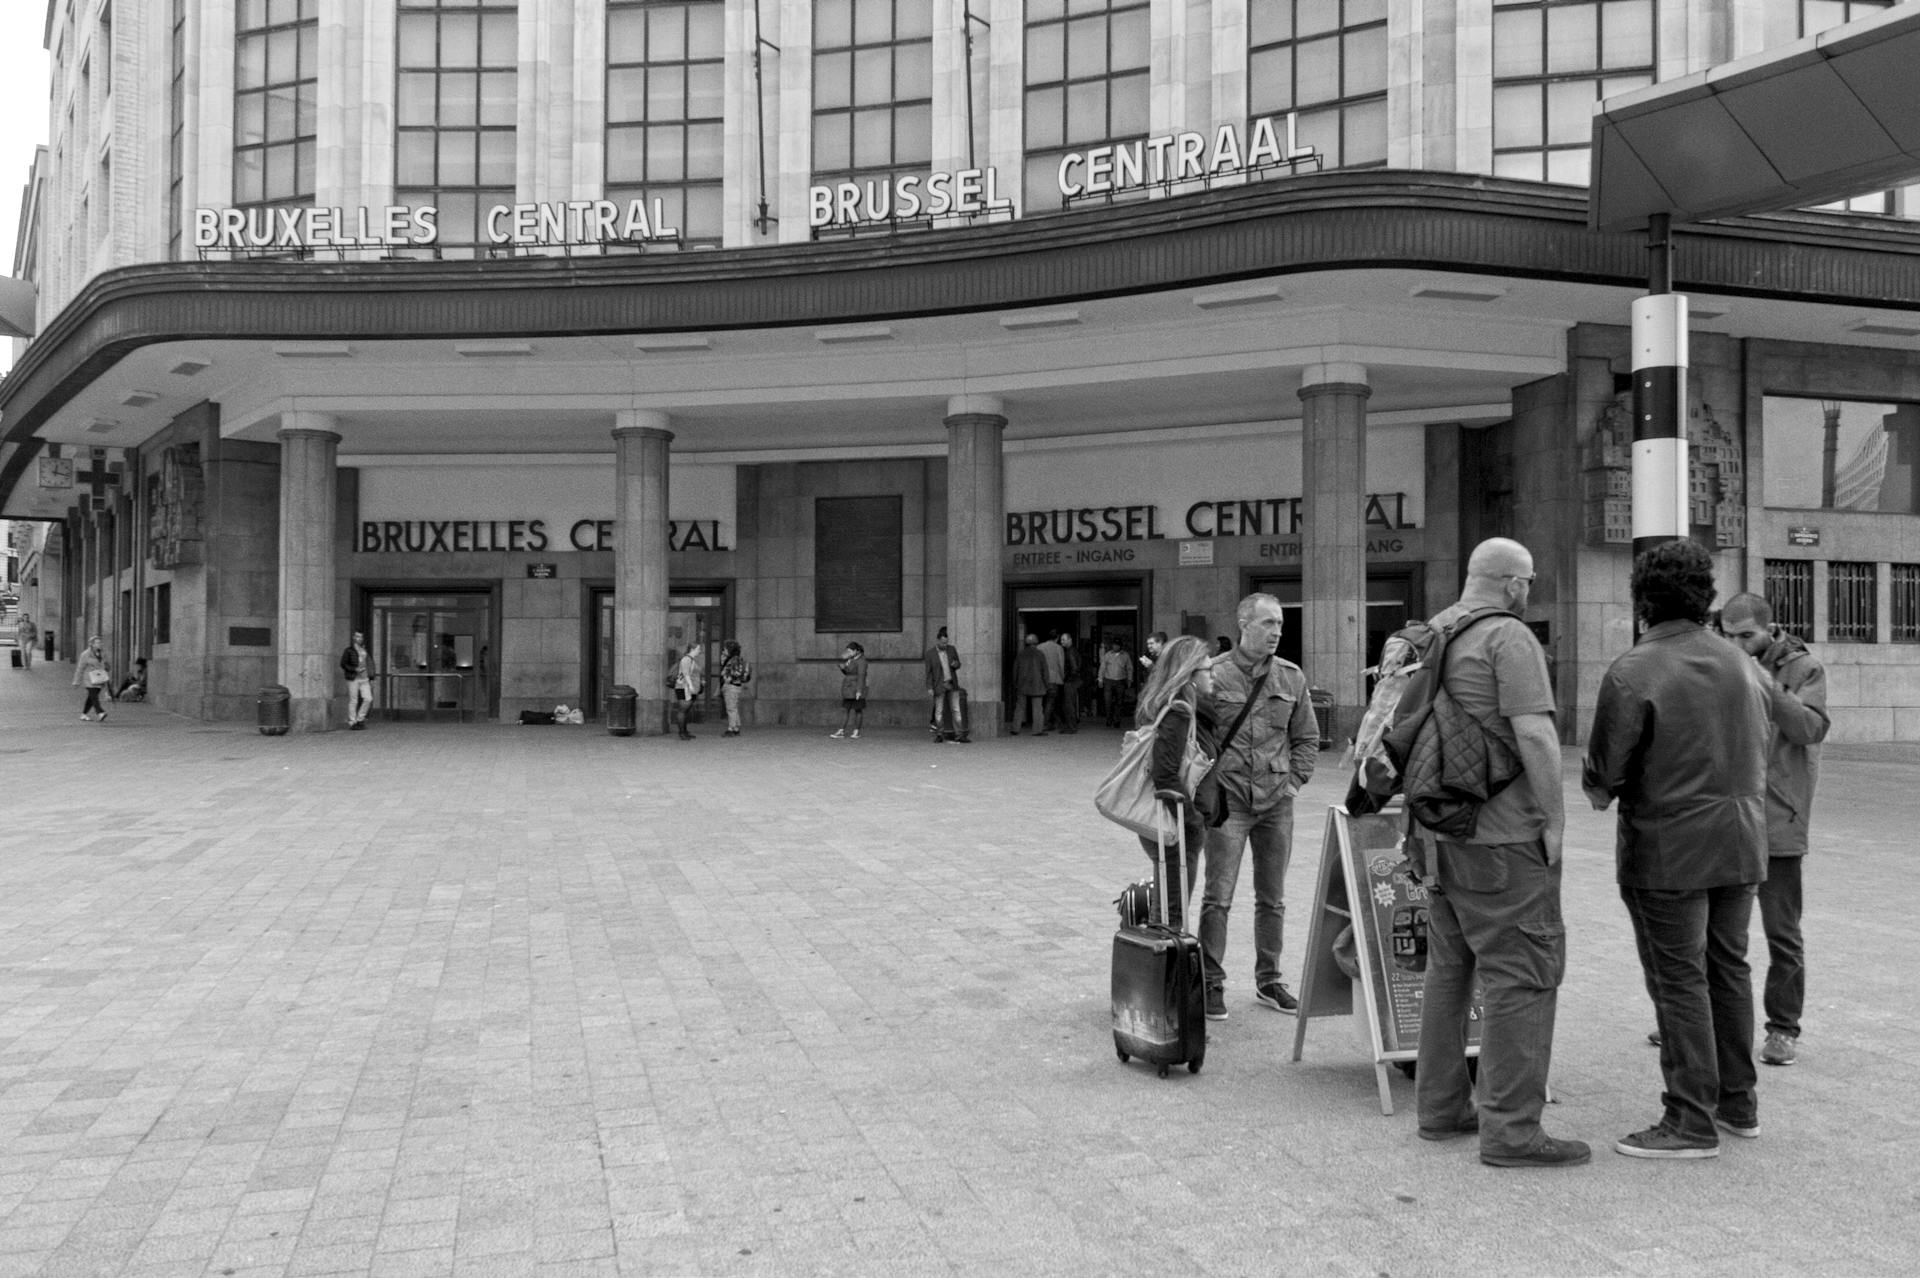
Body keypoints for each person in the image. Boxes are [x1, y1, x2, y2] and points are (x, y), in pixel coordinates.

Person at [1585, 539, 1770, 1160]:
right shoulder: (1745, 664)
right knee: (1728, 969)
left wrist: (1606, 788)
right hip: (1742, 839)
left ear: (1642, 599)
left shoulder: (1635, 669)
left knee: (1678, 980)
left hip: (1668, 850)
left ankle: (1689, 1118)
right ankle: (1737, 1102)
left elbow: (1603, 776)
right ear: (1706, 598)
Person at [1411, 538, 1588, 1169]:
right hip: (1503, 838)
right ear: (1514, 585)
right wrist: (1556, 819)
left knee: (1449, 971)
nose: (1529, 591)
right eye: (1530, 582)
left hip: (1439, 835)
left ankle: (1440, 1109)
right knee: (1523, 975)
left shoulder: (1434, 632)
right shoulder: (1509, 639)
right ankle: (1512, 1131)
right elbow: (1536, 733)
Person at [1718, 593, 1828, 1069]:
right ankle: (1705, 1019)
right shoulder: (1724, 665)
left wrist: (1766, 684)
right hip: (1729, 818)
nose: (1737, 644)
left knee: (1782, 932)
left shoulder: (1805, 669)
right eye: (1728, 635)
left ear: (1771, 629)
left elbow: (1809, 728)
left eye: (1746, 636)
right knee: (1719, 932)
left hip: (1779, 819)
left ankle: (1783, 1028)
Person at [1200, 593, 1318, 1021]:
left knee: (1273, 899)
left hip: (1276, 803)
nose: (1276, 632)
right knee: (1218, 897)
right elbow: (1195, 737)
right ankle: (1211, 982)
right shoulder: (1211, 676)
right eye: (1268, 623)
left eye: (1280, 625)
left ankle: (1269, 980)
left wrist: (1295, 784)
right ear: (1243, 624)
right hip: (1228, 802)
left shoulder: (1290, 677)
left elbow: (1307, 738)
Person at [1132, 636, 1220, 931]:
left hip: (1172, 822)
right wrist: (1192, 821)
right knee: (1170, 918)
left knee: (1168, 910)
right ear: (1190, 674)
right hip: (1174, 824)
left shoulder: (1174, 705)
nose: (1214, 674)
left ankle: (1162, 971)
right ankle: (1163, 974)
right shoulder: (1179, 710)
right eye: (1208, 669)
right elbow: (1166, 772)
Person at [923, 627, 967, 743]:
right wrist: (929, 687)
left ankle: (959, 734)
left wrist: (955, 664)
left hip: (952, 684)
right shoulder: (930, 654)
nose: (944, 645)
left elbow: (958, 665)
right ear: (938, 640)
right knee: (939, 711)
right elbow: (928, 672)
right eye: (943, 642)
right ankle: (939, 734)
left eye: (946, 642)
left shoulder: (951, 650)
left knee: (956, 710)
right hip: (939, 685)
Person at [1010, 634, 1049, 735]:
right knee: (1037, 708)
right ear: (1036, 643)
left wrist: (1015, 683)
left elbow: (1015, 670)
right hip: (1037, 684)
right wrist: (1047, 684)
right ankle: (1037, 730)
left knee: (1019, 707)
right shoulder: (1040, 654)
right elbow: (1045, 671)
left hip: (1022, 684)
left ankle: (1015, 728)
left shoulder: (1021, 654)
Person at [831, 641, 867, 739]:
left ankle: (856, 731)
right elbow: (848, 672)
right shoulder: (851, 660)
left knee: (858, 710)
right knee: (845, 709)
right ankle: (841, 730)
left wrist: (859, 691)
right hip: (849, 688)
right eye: (848, 651)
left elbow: (861, 676)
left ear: (857, 651)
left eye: (850, 651)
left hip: (856, 688)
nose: (849, 653)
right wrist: (843, 668)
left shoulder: (862, 661)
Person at [719, 640, 753, 737]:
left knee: (731, 708)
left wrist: (727, 678)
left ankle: (731, 728)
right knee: (734, 707)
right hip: (736, 686)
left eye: (725, 649)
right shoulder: (736, 659)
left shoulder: (732, 660)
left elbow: (731, 673)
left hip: (731, 686)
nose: (723, 651)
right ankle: (736, 727)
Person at [73, 635, 111, 722]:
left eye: (100, 642)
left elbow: (106, 665)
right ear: (92, 644)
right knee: (94, 696)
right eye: (97, 643)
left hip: (99, 679)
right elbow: (80, 668)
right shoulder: (85, 654)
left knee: (91, 697)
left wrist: (107, 665)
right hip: (89, 679)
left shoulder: (102, 653)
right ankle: (100, 712)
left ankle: (84, 714)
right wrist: (76, 681)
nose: (100, 644)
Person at [341, 630, 373, 730]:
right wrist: (354, 669)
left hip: (364, 678)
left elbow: (369, 663)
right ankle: (352, 721)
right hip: (353, 678)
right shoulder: (349, 650)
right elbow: (343, 664)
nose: (359, 639)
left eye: (361, 637)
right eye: (357, 637)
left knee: (368, 698)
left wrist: (372, 677)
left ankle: (360, 718)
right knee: (353, 700)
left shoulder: (364, 650)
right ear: (353, 638)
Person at [672, 641, 704, 741]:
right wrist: (690, 686)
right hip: (684, 687)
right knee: (683, 710)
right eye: (698, 649)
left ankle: (685, 731)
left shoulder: (691, 659)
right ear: (692, 650)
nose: (700, 651)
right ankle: (682, 733)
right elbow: (686, 674)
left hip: (688, 688)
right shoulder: (686, 659)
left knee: (685, 710)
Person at [1099, 641, 1132, 727]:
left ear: (1120, 646)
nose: (1115, 647)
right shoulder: (1108, 655)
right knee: (1107, 701)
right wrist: (1100, 679)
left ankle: (1117, 720)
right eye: (1114, 645)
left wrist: (1129, 679)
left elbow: (1129, 668)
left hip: (1120, 681)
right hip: (1108, 680)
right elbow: (1102, 667)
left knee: (1119, 702)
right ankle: (1109, 719)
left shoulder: (1125, 655)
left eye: (1117, 645)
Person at [1054, 633, 1081, 734]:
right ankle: (1071, 726)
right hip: (1074, 681)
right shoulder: (1073, 650)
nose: (1062, 642)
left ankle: (1071, 727)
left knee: (1068, 704)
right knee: (1070, 704)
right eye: (1061, 640)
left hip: (1071, 681)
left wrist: (1067, 678)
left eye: (1064, 640)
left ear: (1070, 640)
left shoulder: (1070, 652)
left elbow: (1074, 668)